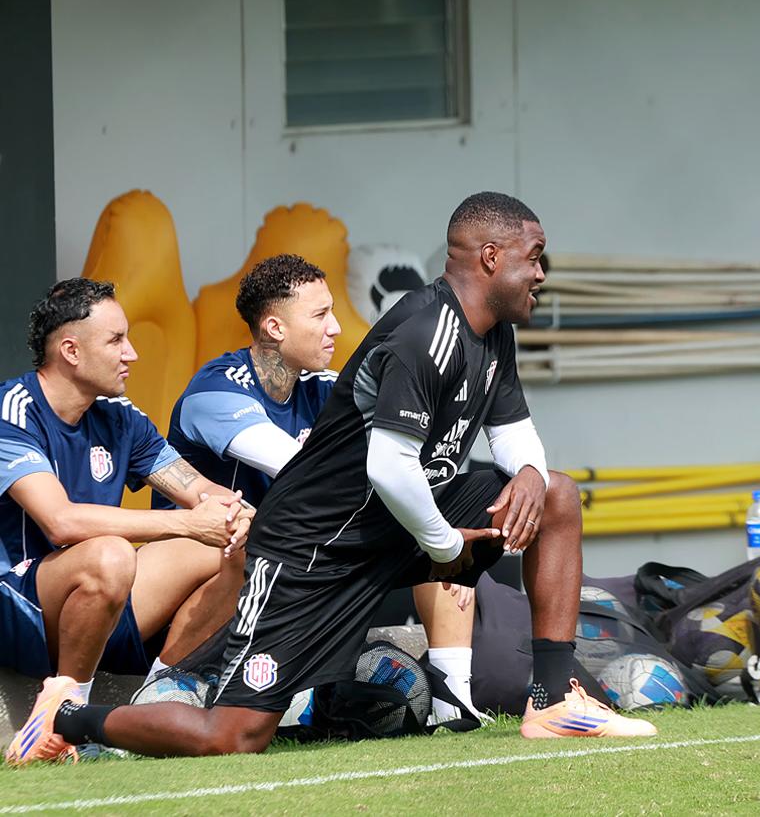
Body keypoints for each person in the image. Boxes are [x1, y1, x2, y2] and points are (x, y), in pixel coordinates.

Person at [12, 192, 655, 763]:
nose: (541, 273)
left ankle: (547, 699)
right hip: (314, 549)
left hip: (391, 521)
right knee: (233, 734)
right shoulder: (420, 333)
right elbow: (387, 466)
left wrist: (532, 476)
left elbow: (512, 433)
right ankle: (68, 717)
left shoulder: (491, 335)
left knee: (557, 494)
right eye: (534, 257)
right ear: (490, 257)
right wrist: (444, 545)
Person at [155, 253, 485, 721]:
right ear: (274, 328)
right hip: (208, 567)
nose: (335, 328)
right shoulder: (216, 391)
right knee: (246, 545)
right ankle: (160, 685)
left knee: (432, 521)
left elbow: (402, 470)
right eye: (320, 315)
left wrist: (443, 540)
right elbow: (298, 471)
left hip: (292, 561)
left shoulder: (324, 388)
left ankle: (453, 703)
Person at [2, 278, 253, 764]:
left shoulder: (120, 416)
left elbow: (198, 489)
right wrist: (187, 524)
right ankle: (67, 719)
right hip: (19, 605)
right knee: (110, 555)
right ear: (71, 351)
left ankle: (158, 702)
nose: (132, 353)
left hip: (100, 600)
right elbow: (61, 522)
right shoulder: (12, 410)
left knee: (233, 541)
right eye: (116, 340)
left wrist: (235, 513)